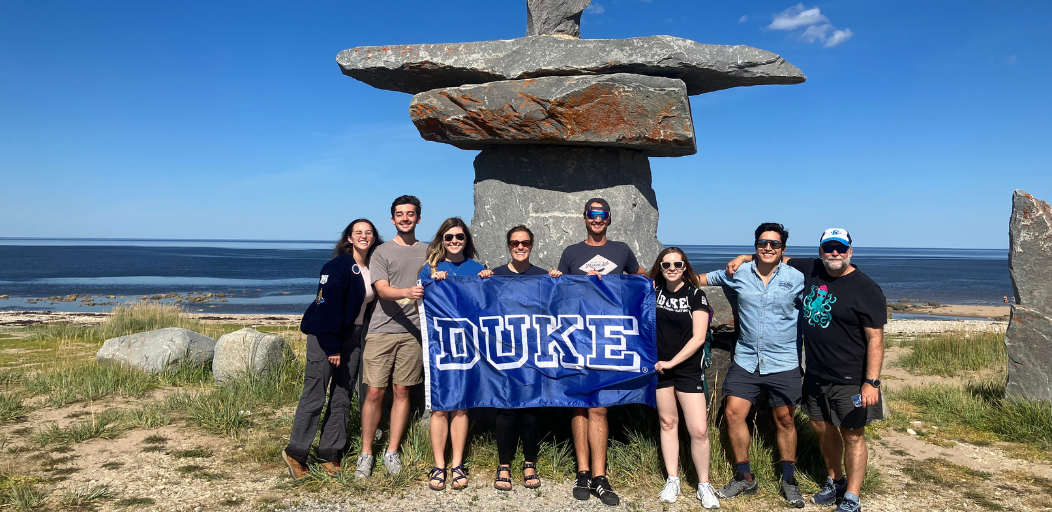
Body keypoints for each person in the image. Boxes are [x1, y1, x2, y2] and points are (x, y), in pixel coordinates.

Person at [726, 228, 887, 512]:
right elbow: (771, 255)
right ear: (820, 251)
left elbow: (876, 338)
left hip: (851, 377)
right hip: (814, 373)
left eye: (840, 248)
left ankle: (852, 497)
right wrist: (743, 257)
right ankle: (834, 481)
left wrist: (871, 382)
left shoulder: (866, 288)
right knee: (822, 429)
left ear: (850, 251)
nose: (834, 253)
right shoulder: (810, 268)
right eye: (828, 248)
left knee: (852, 434)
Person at [700, 222, 806, 507]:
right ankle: (745, 477)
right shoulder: (738, 272)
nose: (767, 247)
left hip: (783, 360)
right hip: (747, 358)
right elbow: (699, 279)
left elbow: (831, 270)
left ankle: (789, 479)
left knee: (784, 418)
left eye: (773, 244)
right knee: (733, 413)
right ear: (755, 245)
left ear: (783, 248)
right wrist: (661, 279)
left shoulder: (797, 277)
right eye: (762, 243)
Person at [557, 198, 647, 506]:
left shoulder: (621, 251)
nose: (597, 219)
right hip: (577, 337)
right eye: (592, 214)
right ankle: (582, 472)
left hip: (609, 338)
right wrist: (559, 279)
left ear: (609, 219)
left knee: (600, 408)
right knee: (579, 406)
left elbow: (643, 278)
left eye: (602, 215)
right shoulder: (571, 253)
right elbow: (560, 293)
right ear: (584, 218)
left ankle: (600, 476)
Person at [282, 219, 382, 479]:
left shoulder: (372, 266)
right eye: (358, 232)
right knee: (315, 395)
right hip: (326, 338)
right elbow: (326, 308)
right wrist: (331, 346)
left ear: (373, 237)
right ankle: (296, 452)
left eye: (368, 232)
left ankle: (330, 452)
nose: (363, 236)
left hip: (354, 337)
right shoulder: (337, 266)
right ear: (349, 238)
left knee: (342, 396)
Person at [480, 225, 559, 491]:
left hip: (535, 352)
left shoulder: (542, 276)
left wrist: (560, 281)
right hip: (503, 353)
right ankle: (504, 464)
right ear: (508, 246)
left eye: (525, 242)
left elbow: (560, 305)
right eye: (515, 243)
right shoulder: (497, 275)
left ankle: (529, 462)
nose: (520, 247)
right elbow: (479, 304)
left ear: (532, 245)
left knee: (530, 410)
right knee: (506, 409)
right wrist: (481, 280)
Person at [356, 196, 427, 479]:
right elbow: (382, 290)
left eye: (410, 214)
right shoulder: (381, 252)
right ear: (393, 219)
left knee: (402, 391)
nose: (405, 218)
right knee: (374, 392)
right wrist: (408, 292)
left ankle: (392, 451)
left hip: (414, 333)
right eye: (400, 214)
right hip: (381, 330)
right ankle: (366, 452)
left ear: (418, 219)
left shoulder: (428, 250)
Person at [648, 248, 720, 509]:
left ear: (684, 266)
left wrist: (672, 362)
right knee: (668, 423)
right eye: (666, 264)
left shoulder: (695, 294)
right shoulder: (652, 292)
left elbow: (699, 338)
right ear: (660, 266)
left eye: (677, 263)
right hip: (659, 368)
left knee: (699, 430)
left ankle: (703, 484)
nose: (672, 268)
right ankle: (672, 479)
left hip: (687, 368)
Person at [419, 217, 487, 491]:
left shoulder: (477, 268)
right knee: (439, 406)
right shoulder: (430, 269)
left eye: (460, 237)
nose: (455, 241)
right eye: (449, 238)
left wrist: (487, 281)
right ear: (442, 241)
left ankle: (457, 464)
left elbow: (487, 306)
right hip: (441, 346)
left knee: (461, 406)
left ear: (466, 240)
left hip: (470, 346)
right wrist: (431, 285)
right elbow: (419, 307)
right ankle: (439, 465)